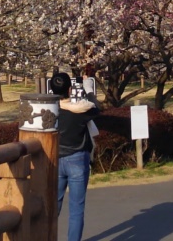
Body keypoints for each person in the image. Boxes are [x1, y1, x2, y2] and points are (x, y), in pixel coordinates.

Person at [51, 72, 100, 241]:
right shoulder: (80, 109)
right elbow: (95, 108)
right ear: (70, 89)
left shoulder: (48, 111)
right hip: (78, 159)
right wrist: (88, 89)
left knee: (53, 205)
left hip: (56, 159)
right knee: (77, 209)